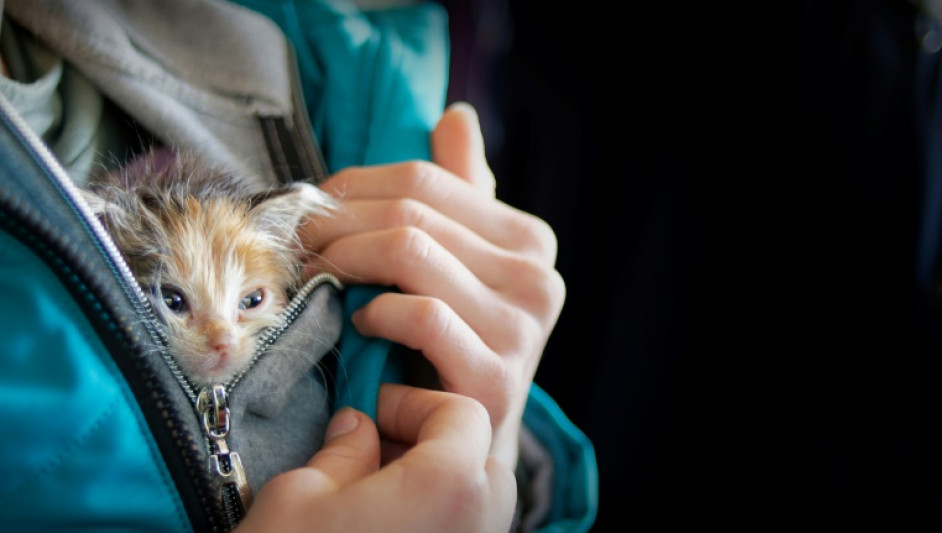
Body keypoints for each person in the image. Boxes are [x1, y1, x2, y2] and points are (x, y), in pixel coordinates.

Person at [0, 0, 596, 531]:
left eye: (251, 302)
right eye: (175, 302)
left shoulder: (313, 57)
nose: (221, 339)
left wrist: (501, 451)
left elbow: (477, 491)